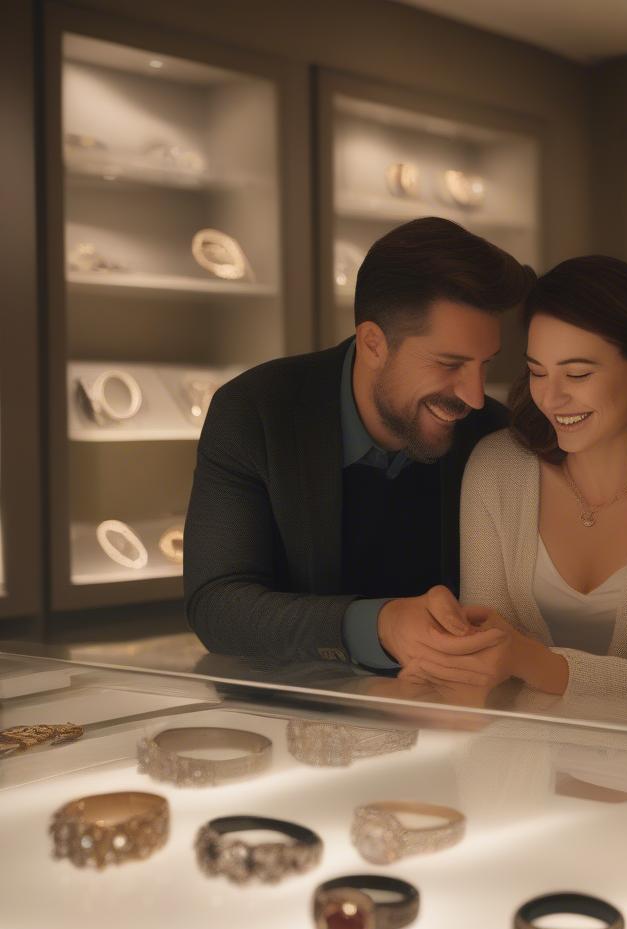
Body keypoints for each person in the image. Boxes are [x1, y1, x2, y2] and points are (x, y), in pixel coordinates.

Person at [397, 255, 627, 705]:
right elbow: (487, 643)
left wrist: (529, 660)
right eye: (538, 371)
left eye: (578, 374)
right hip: (520, 765)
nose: (551, 396)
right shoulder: (497, 468)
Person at [183, 217, 534, 668]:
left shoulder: (493, 436)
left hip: (452, 715)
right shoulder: (256, 412)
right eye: (450, 363)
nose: (473, 394)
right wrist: (377, 625)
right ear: (373, 344)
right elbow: (217, 606)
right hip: (288, 719)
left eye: (485, 363)